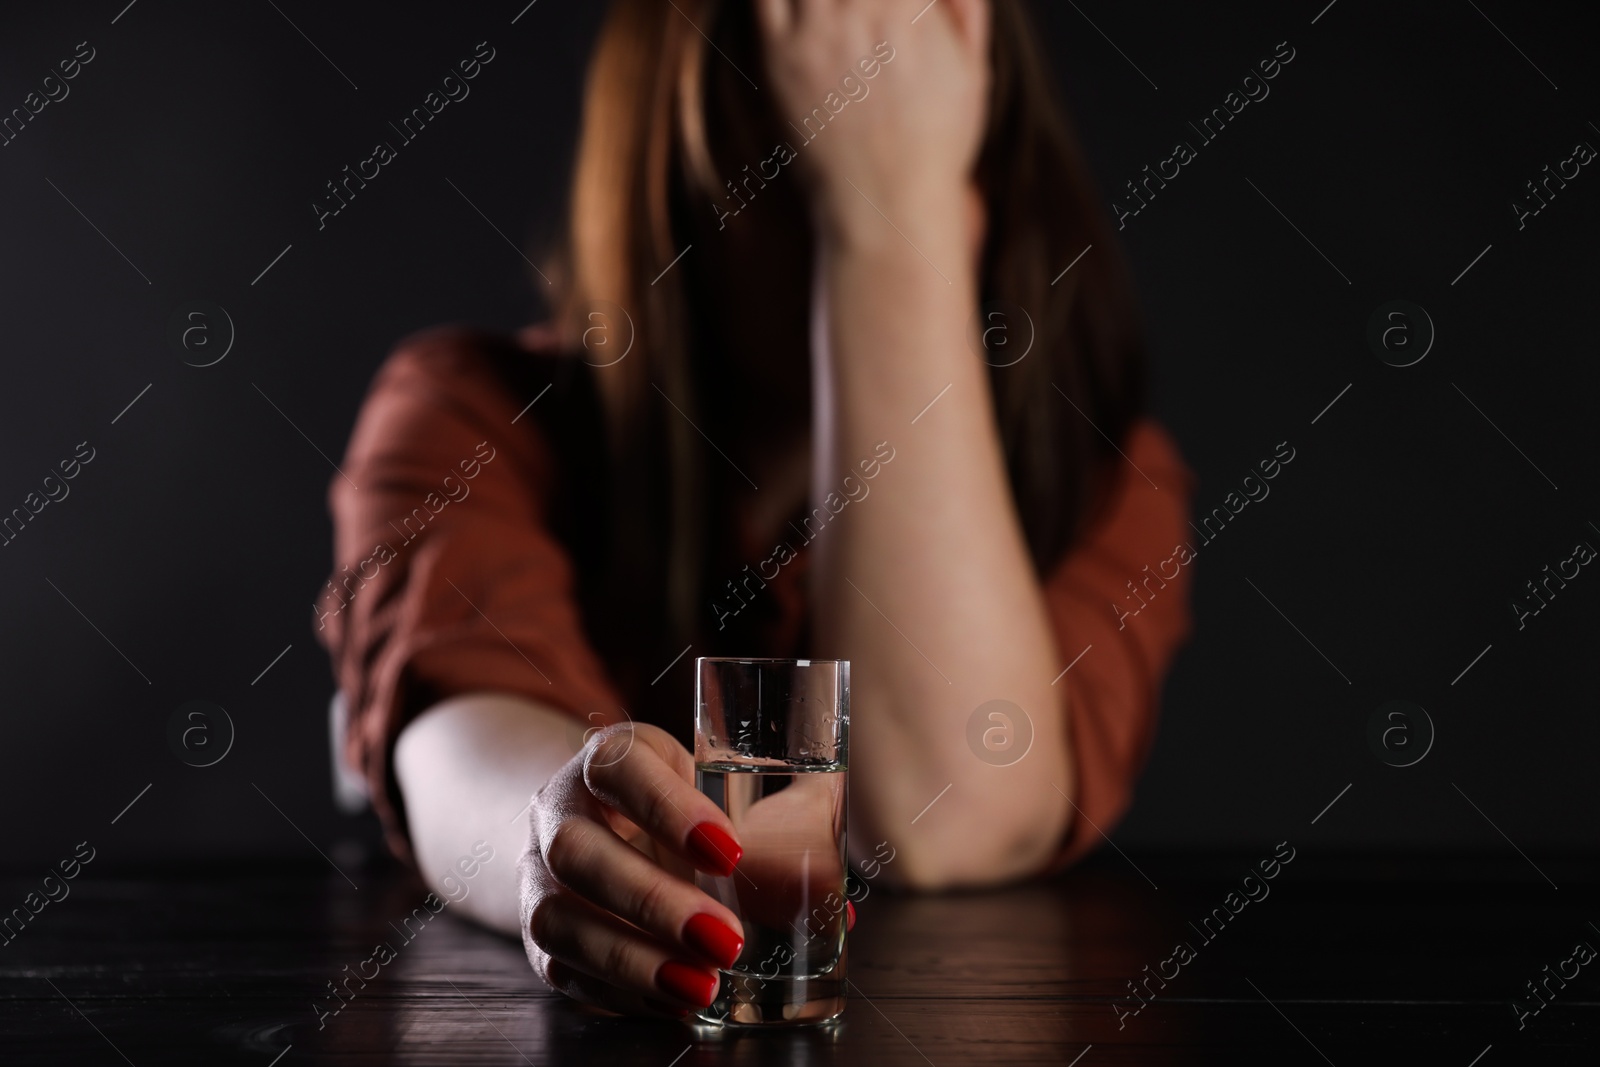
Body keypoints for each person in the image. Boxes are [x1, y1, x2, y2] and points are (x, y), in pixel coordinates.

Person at [317, 0, 1194, 1020]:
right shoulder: (469, 413)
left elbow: (936, 821)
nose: (874, 173)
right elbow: (463, 749)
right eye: (811, 144)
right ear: (682, 180)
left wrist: (889, 222)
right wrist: (557, 834)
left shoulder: (1104, 478)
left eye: (921, 134)